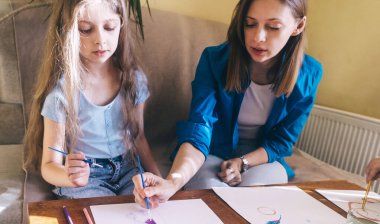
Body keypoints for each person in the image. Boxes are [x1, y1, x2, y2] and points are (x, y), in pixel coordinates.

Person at [133, 0, 322, 208]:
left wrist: (243, 162)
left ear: (298, 26)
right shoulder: (214, 60)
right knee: (210, 196)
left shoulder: (309, 74)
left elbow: (281, 141)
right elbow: (199, 127)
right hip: (211, 150)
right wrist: (173, 182)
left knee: (259, 197)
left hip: (260, 158)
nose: (258, 37)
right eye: (250, 24)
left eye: (273, 27)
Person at [23, 0, 161, 199]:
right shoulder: (61, 94)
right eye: (86, 30)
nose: (100, 40)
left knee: (143, 216)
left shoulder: (134, 81)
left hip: (128, 170)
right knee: (102, 221)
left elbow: (138, 138)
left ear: (120, 27)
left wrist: (161, 181)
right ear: (67, 31)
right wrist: (70, 177)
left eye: (109, 27)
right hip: (86, 178)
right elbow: (49, 166)